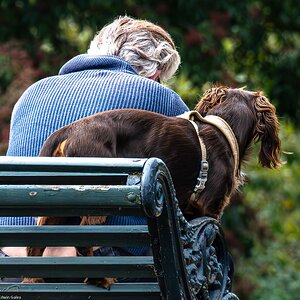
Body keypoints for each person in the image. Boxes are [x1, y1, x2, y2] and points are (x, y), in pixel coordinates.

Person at [0, 15, 189, 274]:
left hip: (11, 259)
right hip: (99, 265)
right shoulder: (161, 99)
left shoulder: (32, 93)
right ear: (156, 73)